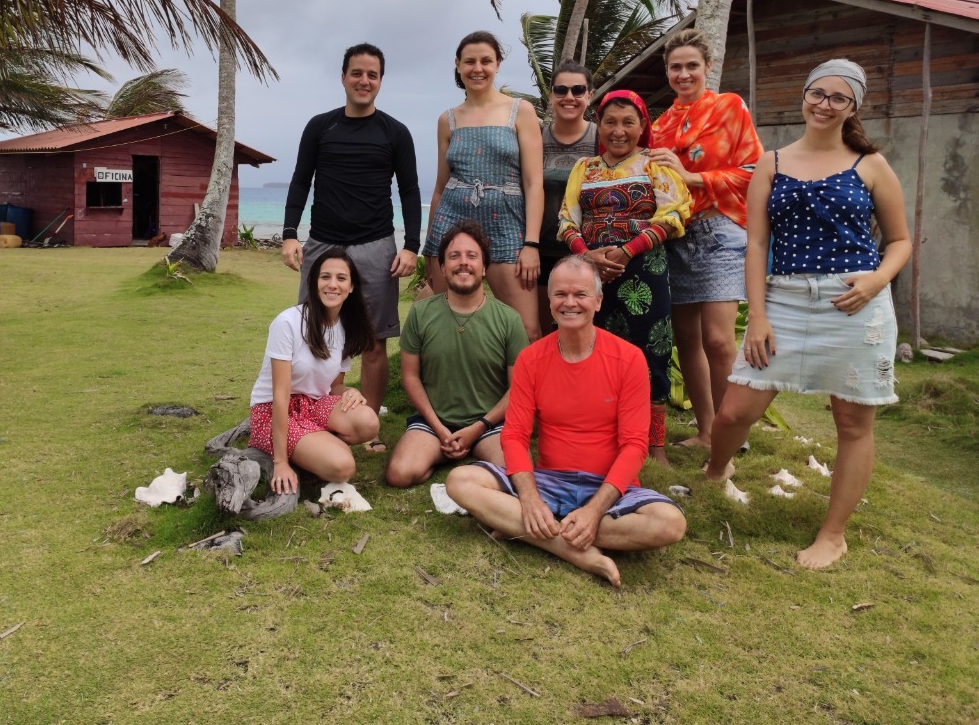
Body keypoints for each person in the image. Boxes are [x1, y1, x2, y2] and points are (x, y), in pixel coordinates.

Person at [706, 59, 911, 570]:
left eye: (838, 97)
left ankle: (833, 535)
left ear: (853, 107)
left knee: (852, 421)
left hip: (856, 304)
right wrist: (757, 315)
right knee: (735, 411)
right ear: (803, 97)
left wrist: (877, 280)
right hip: (785, 300)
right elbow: (755, 244)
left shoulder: (871, 165)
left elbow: (901, 240)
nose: (824, 104)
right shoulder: (771, 163)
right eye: (817, 93)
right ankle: (716, 472)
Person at [445, 257, 688, 587]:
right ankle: (572, 548)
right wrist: (529, 499)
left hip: (609, 487)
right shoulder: (532, 359)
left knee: (670, 523)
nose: (569, 303)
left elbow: (634, 445)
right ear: (549, 301)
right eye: (560, 294)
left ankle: (528, 528)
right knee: (460, 481)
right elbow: (515, 435)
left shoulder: (628, 359)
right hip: (548, 483)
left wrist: (595, 510)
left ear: (598, 301)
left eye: (580, 294)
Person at [282, 43, 421, 439]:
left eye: (372, 75)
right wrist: (291, 233)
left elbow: (409, 191)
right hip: (323, 243)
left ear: (380, 81)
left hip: (376, 244)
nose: (364, 81)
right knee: (312, 334)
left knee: (374, 342)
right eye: (356, 73)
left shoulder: (395, 132)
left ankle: (369, 425)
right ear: (343, 77)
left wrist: (411, 245)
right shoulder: (320, 126)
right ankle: (309, 415)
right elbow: (300, 181)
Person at [559, 89, 692, 465]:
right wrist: (588, 256)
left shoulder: (656, 166)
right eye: (610, 122)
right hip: (591, 276)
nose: (618, 131)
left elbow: (673, 215)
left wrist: (627, 250)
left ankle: (655, 446)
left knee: (653, 350)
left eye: (628, 122)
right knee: (593, 351)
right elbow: (567, 219)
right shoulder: (584, 170)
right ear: (598, 125)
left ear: (642, 127)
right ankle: (598, 435)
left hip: (644, 272)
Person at [648, 28, 763, 450]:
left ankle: (733, 434)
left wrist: (691, 176)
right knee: (687, 340)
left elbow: (754, 170)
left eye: (691, 66)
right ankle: (706, 430)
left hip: (718, 229)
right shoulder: (658, 127)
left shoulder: (729, 108)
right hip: (675, 234)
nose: (683, 74)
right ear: (667, 70)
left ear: (707, 68)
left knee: (718, 338)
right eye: (676, 67)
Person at [385, 221, 528, 488]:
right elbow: (411, 377)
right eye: (454, 256)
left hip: (489, 425)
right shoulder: (421, 313)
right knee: (399, 474)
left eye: (472, 256)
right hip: (434, 423)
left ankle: (471, 459)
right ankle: (448, 455)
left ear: (484, 267)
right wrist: (439, 429)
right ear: (442, 267)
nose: (463, 263)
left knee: (516, 472)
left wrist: (479, 427)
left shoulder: (509, 319)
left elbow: (518, 389)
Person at [424, 31, 544, 342]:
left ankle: (524, 392)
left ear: (498, 64)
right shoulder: (447, 119)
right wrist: (429, 250)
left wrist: (531, 245)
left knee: (526, 328)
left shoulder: (521, 111)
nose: (478, 68)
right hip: (452, 221)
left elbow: (533, 183)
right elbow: (439, 187)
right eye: (470, 61)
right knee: (447, 321)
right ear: (458, 65)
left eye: (486, 61)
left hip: (506, 222)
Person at [249, 249, 381, 496]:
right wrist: (280, 463)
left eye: (341, 278)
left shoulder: (347, 328)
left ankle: (315, 447)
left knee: (369, 422)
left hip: (313, 406)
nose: (332, 285)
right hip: (272, 411)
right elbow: (280, 395)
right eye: (325, 277)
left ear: (351, 287)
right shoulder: (287, 323)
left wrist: (350, 391)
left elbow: (335, 387)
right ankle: (306, 451)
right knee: (343, 467)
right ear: (314, 282)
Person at [536, 61, 599, 335]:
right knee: (539, 332)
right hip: (541, 249)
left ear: (590, 94)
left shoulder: (602, 137)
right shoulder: (536, 136)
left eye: (578, 90)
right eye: (561, 90)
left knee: (585, 333)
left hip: (589, 252)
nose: (569, 97)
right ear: (551, 95)